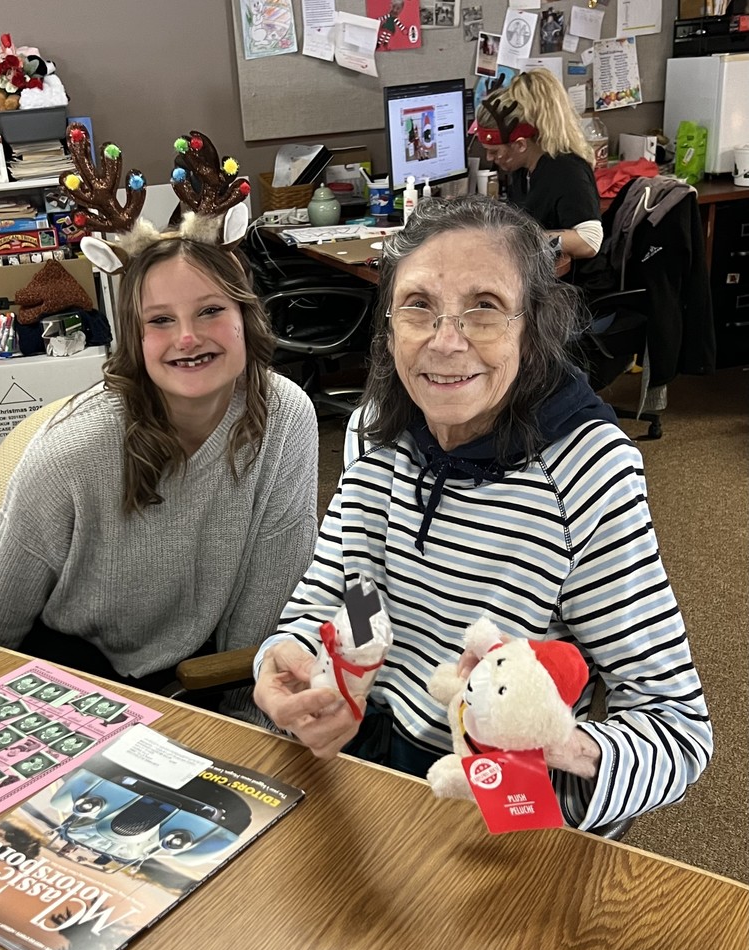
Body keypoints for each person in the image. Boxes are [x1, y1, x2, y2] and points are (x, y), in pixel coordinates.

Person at [252, 196, 712, 832]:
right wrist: (298, 656)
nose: (445, 342)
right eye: (419, 307)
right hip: (371, 765)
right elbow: (349, 586)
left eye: (485, 309)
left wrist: (563, 750)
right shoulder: (376, 430)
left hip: (499, 802)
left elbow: (678, 729)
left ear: (534, 326)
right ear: (390, 325)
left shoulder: (586, 471)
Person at [0, 134, 320, 719]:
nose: (187, 337)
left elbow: (268, 597)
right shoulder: (74, 451)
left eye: (210, 310)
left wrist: (248, 734)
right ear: (135, 337)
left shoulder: (286, 417)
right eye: (160, 320)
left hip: (194, 668)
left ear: (245, 318)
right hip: (67, 668)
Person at [475, 68, 603, 270]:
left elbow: (590, 240)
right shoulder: (522, 168)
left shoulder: (566, 171)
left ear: (520, 145)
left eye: (494, 151)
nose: (489, 158)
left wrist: (523, 238)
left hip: (576, 289)